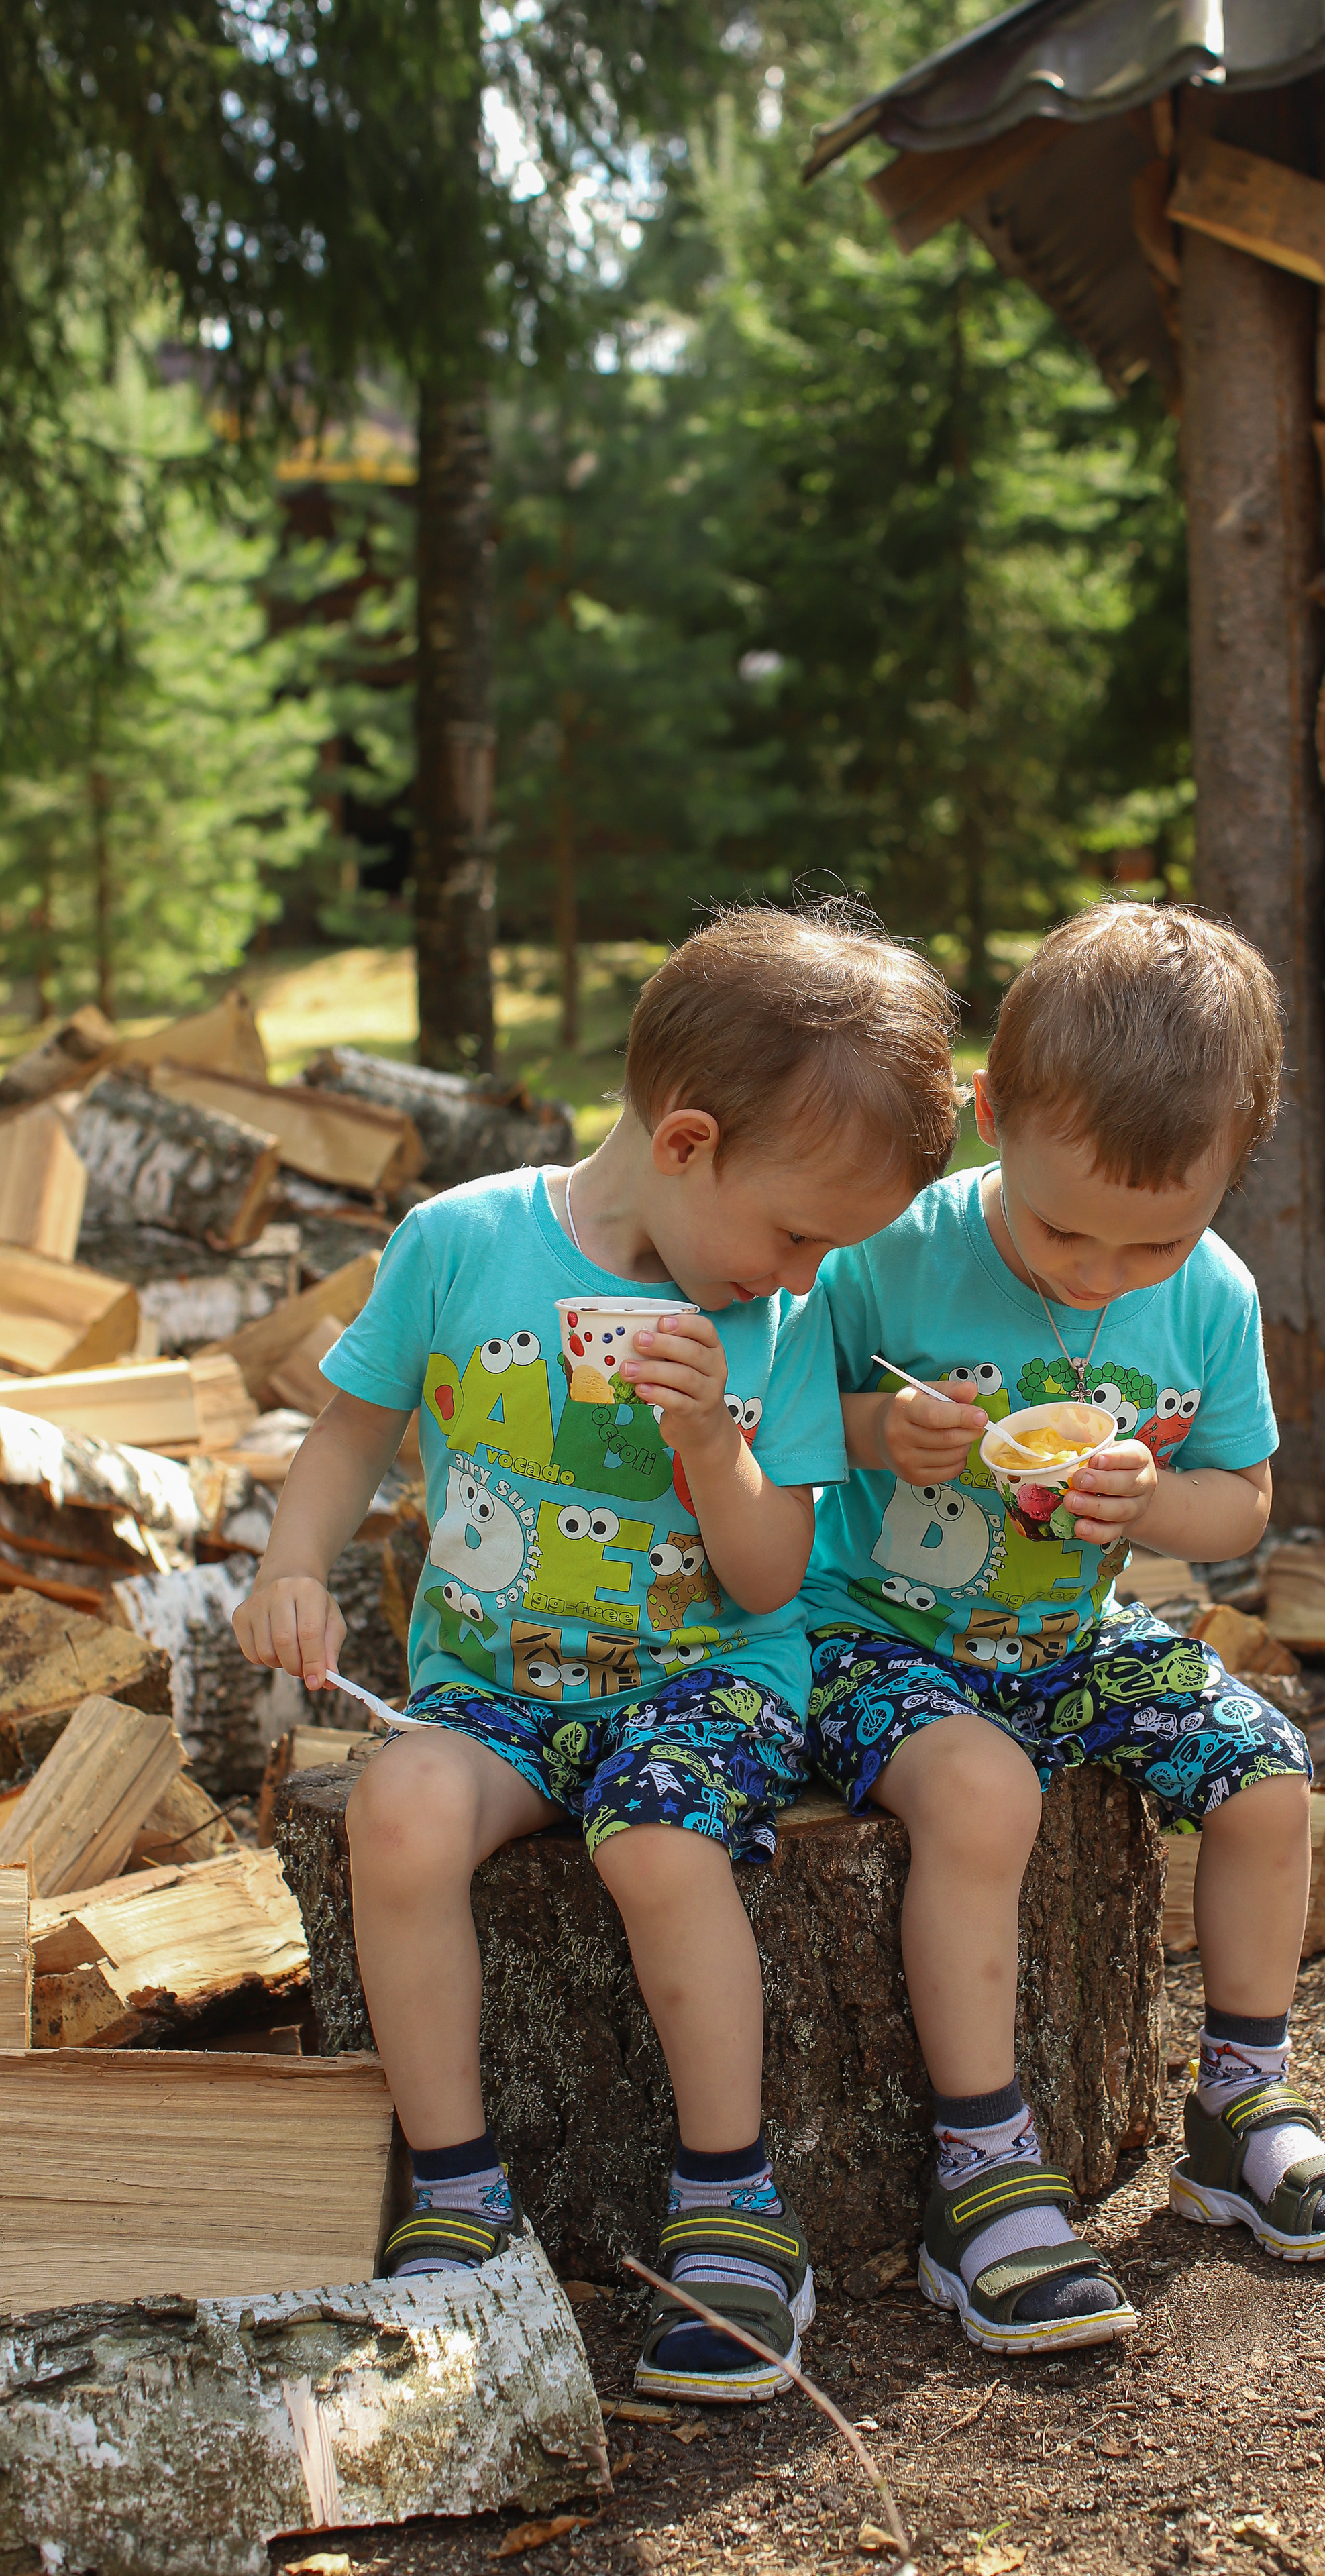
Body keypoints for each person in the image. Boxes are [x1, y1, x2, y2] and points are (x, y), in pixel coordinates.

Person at [231, 902, 960, 2405]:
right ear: (685, 1143)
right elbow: (356, 1425)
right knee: (397, 1811)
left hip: (710, 1681)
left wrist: (710, 1440)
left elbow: (769, 1572)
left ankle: (732, 2203)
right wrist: (290, 1562)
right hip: (492, 1688)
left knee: (651, 1836)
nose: (801, 1269)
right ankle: (455, 2192)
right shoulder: (459, 1244)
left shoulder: (775, 1318)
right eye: (796, 1229)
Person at [802, 901, 1325, 2357]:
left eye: (1149, 1241)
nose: (1093, 1274)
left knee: (1264, 1773)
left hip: (1067, 1643)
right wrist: (884, 1427)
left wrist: (1147, 1506)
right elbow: (768, 1442)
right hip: (866, 1640)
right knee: (983, 1793)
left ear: (1225, 1175)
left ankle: (1240, 2101)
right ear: (987, 1113)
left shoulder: (1207, 1294)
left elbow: (1241, 1509)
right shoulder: (884, 1256)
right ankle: (983, 2167)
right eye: (1064, 1226)